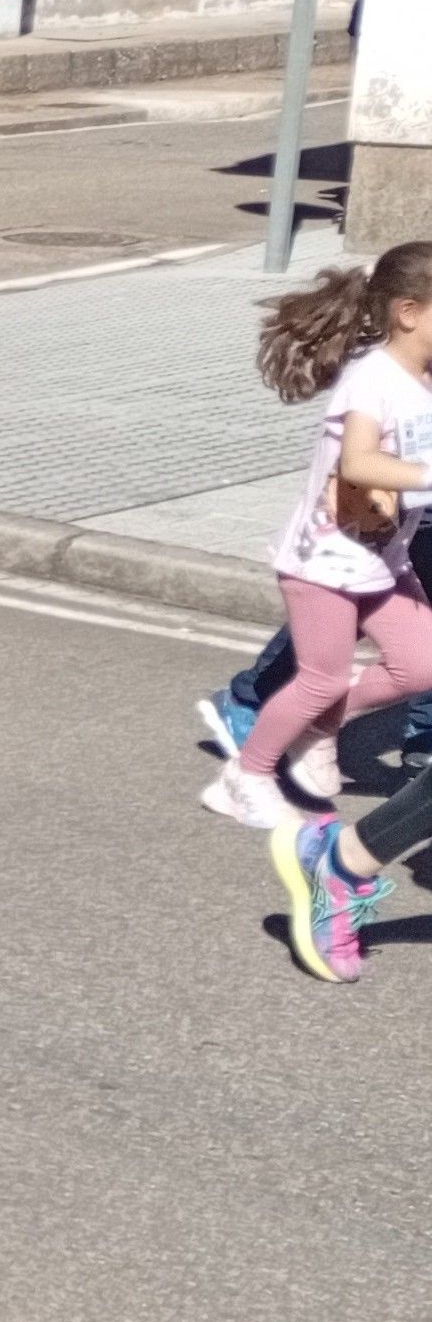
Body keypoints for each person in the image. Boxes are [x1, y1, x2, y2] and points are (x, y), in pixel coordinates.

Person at [209, 247, 432, 871]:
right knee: (321, 678)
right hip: (324, 564)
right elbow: (358, 463)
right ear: (409, 313)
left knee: (422, 666)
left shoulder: (421, 377)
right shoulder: (373, 379)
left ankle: (315, 727)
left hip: (380, 562)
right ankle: (245, 774)